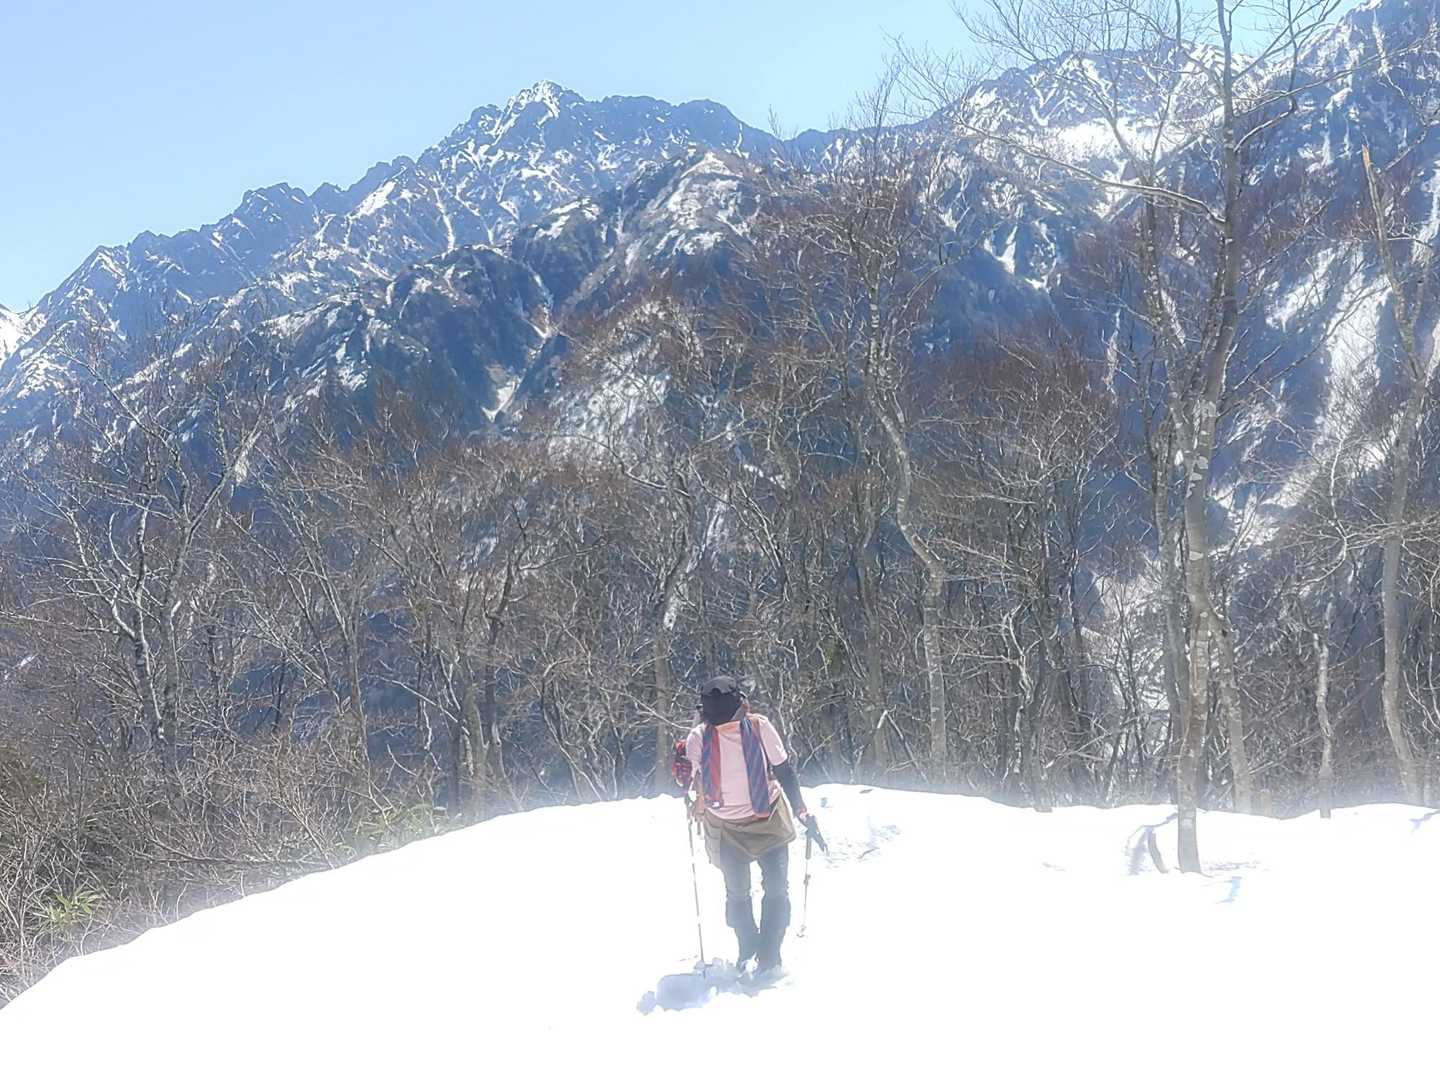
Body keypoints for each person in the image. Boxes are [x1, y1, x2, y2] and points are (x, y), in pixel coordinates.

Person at [672, 675, 820, 980]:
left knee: (746, 892)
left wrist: (682, 772)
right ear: (741, 702)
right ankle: (760, 950)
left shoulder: (710, 734)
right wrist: (800, 809)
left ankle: (762, 951)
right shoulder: (749, 727)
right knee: (763, 890)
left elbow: (687, 781)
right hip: (756, 819)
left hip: (737, 823)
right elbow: (784, 771)